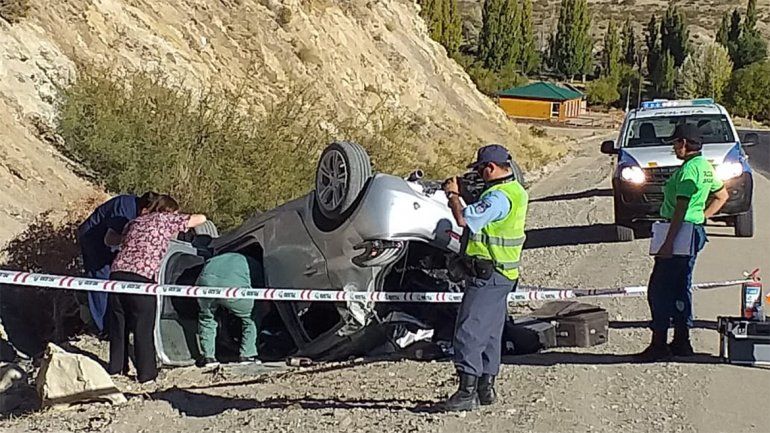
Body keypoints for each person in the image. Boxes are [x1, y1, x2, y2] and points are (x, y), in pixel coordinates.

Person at [440, 144, 529, 411]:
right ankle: (485, 388)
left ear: (490, 168)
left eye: (480, 170)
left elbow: (464, 220)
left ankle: (466, 393)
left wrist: (453, 196)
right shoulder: (515, 191)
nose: (478, 175)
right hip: (504, 273)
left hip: (487, 275)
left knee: (469, 331)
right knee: (491, 333)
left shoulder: (498, 198)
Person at [637, 124, 728, 361]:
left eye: (675, 143)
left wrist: (668, 242)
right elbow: (722, 195)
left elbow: (681, 207)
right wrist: (702, 217)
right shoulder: (705, 167)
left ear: (684, 143)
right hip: (692, 230)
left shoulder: (689, 170)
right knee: (680, 287)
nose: (673, 148)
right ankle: (681, 341)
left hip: (679, 232)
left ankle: (659, 344)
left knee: (659, 289)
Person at [106, 195, 207, 383]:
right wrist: (178, 220)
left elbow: (113, 241)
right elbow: (201, 218)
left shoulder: (133, 222)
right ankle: (146, 374)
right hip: (142, 278)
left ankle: (116, 368)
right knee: (143, 327)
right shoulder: (165, 219)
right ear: (168, 211)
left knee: (118, 326)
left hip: (116, 275)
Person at [76, 192, 159, 335]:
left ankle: (113, 322)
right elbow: (110, 239)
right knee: (101, 280)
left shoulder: (136, 209)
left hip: (109, 244)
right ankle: (102, 328)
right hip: (94, 240)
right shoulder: (124, 209)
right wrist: (133, 238)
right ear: (145, 209)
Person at [195, 252, 263, 367]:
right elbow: (260, 291)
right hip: (233, 287)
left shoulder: (215, 259)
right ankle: (247, 355)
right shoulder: (254, 264)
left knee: (207, 318)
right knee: (251, 318)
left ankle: (208, 357)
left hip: (205, 284)